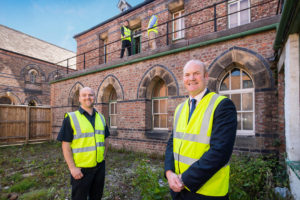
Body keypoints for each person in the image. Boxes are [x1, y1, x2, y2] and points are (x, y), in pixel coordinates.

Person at [164, 60, 237, 200]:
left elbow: (221, 152)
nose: (191, 78)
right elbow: (172, 143)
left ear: (206, 76)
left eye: (196, 73)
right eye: (187, 74)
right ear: (183, 78)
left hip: (207, 192)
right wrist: (169, 172)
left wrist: (184, 179)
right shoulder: (180, 108)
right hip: (179, 190)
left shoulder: (222, 105)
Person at [57, 87, 110, 200]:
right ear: (79, 99)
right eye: (84, 95)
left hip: (99, 167)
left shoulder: (101, 117)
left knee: (97, 197)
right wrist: (72, 168)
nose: (88, 97)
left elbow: (106, 140)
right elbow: (65, 145)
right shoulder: (71, 118)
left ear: (94, 97)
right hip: (81, 170)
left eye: (90, 95)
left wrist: (103, 158)